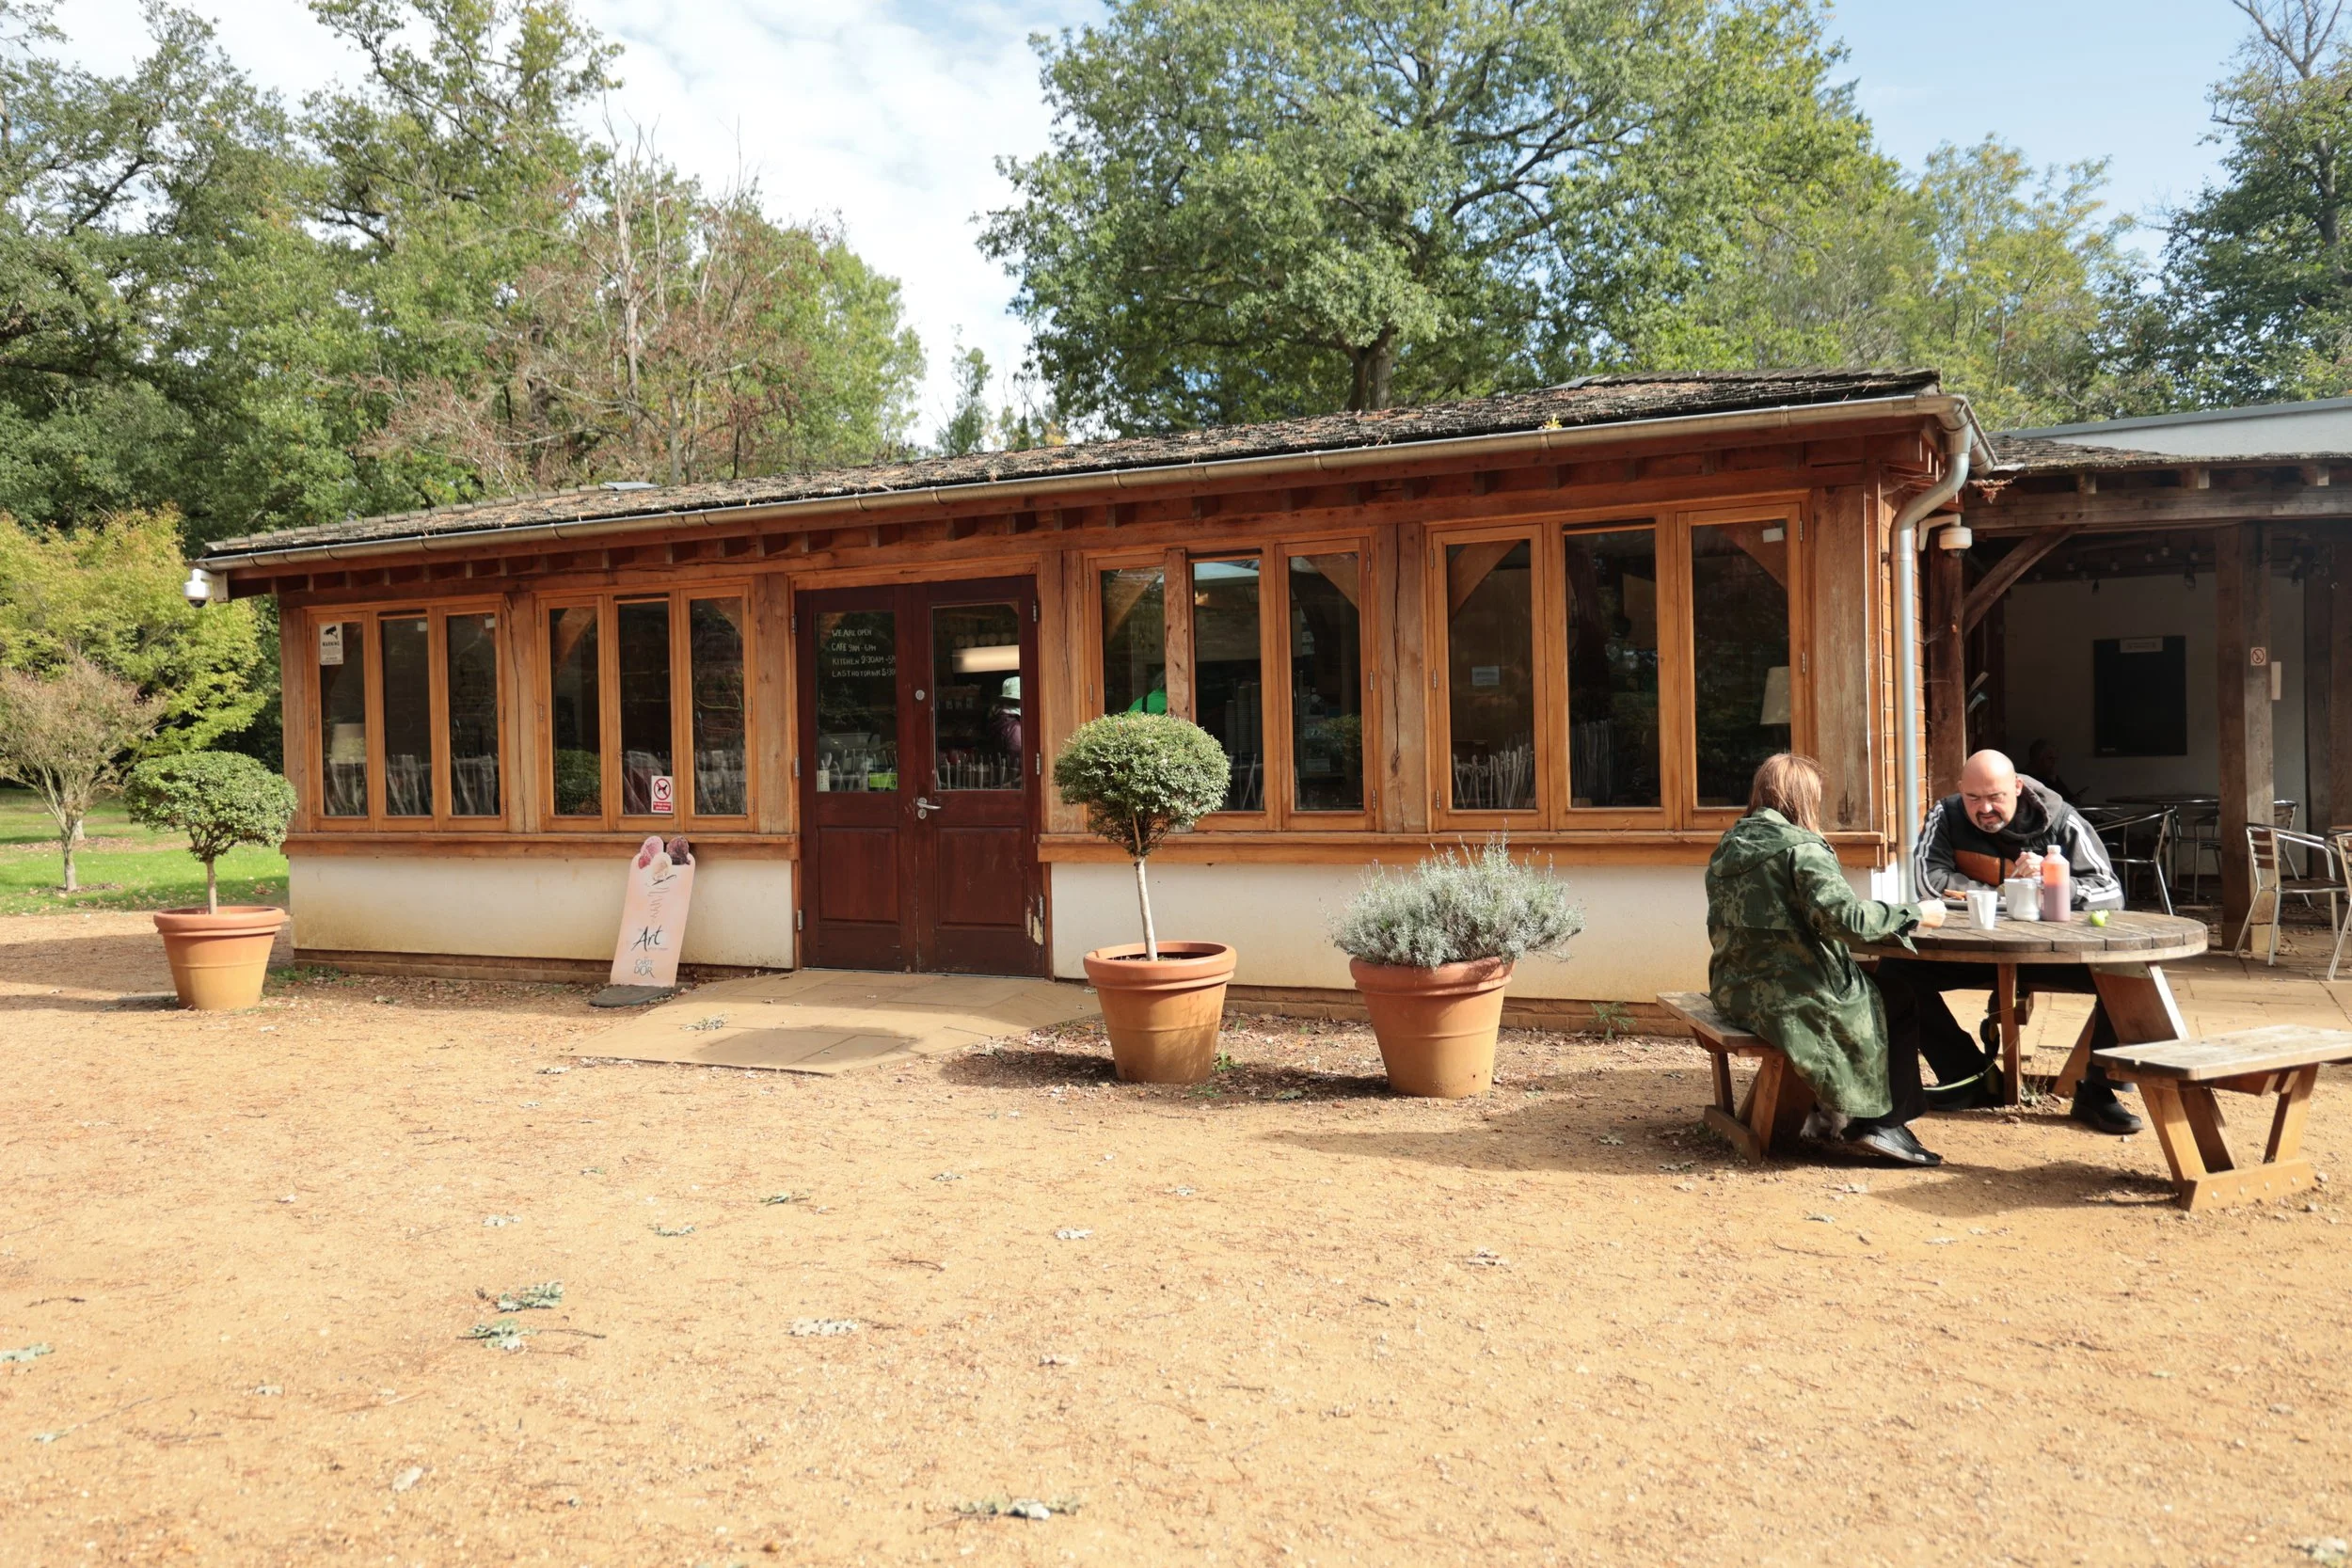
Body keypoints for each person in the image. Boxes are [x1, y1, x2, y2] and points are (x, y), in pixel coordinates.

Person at [1879, 749, 2141, 1134]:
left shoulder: (2061, 819)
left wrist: (2054, 883)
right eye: (1973, 798)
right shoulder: (1946, 815)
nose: (1985, 808)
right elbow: (1928, 882)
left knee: (2130, 974)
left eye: (1996, 797)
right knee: (1893, 972)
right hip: (1972, 952)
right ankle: (1968, 1076)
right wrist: (2007, 893)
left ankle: (2098, 1091)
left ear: (2017, 787)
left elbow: (2111, 892)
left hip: (2050, 953)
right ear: (1960, 792)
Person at [1706, 752, 1949, 1166]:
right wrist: (1915, 913)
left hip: (1734, 990)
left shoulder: (1730, 845)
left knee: (1879, 992)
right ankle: (1879, 1122)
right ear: (1803, 799)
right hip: (1790, 998)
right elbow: (1847, 920)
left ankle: (1828, 1113)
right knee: (1898, 998)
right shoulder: (1802, 849)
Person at [2025, 739, 2082, 805]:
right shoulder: (2025, 780)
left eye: (2056, 759)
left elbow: (2068, 797)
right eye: (2050, 758)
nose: (2054, 763)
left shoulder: (2049, 775)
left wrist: (2074, 799)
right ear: (2037, 759)